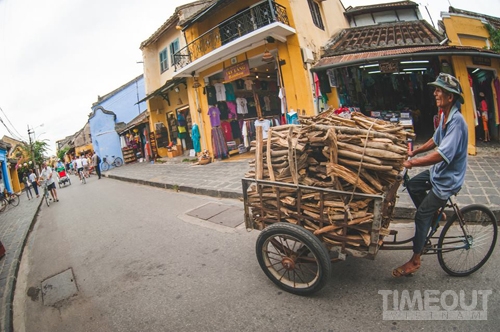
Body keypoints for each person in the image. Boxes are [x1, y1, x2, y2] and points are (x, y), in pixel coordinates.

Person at [392, 73, 468, 277]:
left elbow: (442, 155)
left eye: (439, 90)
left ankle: (415, 260)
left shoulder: (457, 123)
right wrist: (414, 151)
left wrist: (412, 162)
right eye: (435, 89)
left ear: (450, 97)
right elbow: (435, 141)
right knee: (413, 185)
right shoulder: (444, 116)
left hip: (447, 181)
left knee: (421, 215)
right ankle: (436, 213)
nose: (435, 93)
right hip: (438, 174)